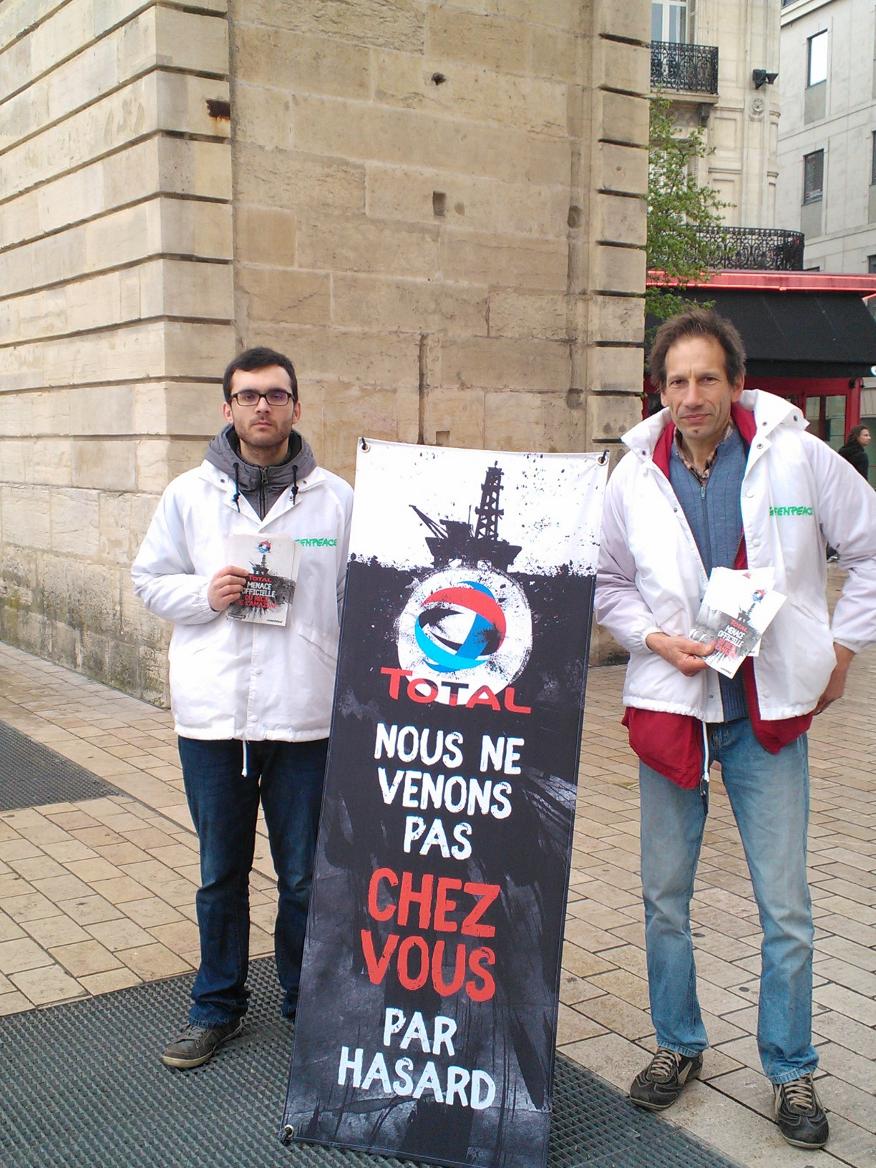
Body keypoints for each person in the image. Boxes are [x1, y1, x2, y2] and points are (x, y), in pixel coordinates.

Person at [595, 309, 876, 1150]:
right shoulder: (633, 477)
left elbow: (868, 548)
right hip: (675, 705)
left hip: (765, 714)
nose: (691, 395)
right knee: (663, 897)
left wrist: (844, 647)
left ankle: (790, 1068)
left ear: (737, 382)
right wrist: (651, 637)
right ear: (661, 389)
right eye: (677, 381)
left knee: (785, 906)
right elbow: (607, 580)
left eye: (706, 378)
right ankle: (678, 1045)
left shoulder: (796, 456)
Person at [132, 346, 352, 1069]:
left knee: (303, 876)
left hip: (304, 717)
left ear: (297, 404)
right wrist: (205, 594)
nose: (264, 407)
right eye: (249, 395)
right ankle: (216, 1005)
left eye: (277, 395)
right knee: (219, 872)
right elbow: (148, 580)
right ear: (226, 408)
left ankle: (302, 999)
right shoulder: (187, 496)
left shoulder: (336, 500)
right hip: (215, 721)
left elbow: (359, 602)